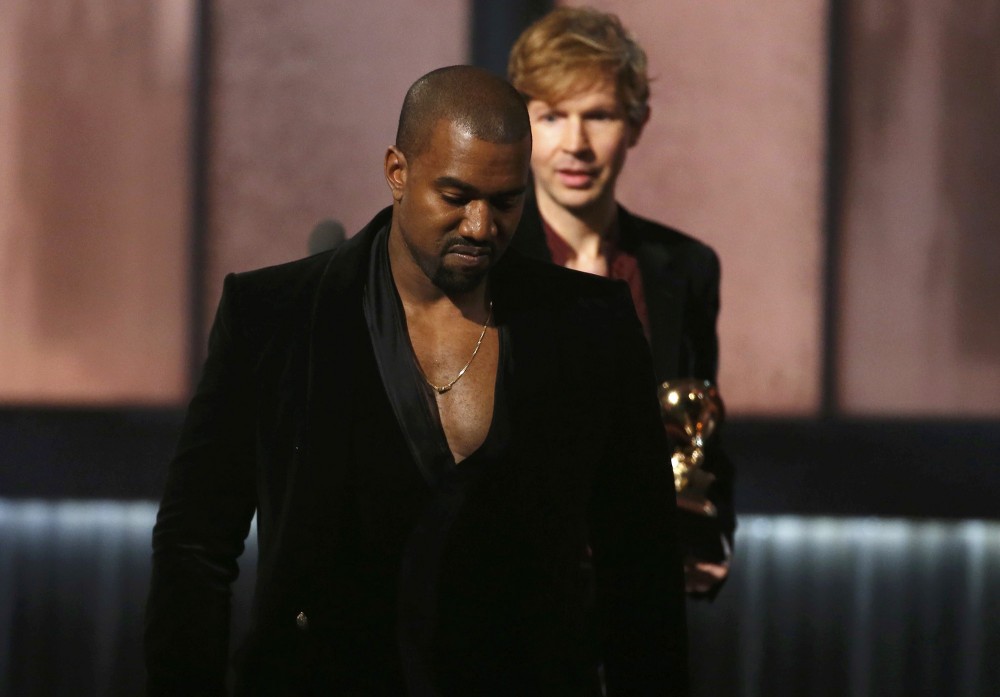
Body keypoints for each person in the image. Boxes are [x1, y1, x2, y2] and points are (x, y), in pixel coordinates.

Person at [145, 65, 688, 696]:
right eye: (456, 197)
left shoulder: (591, 326)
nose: (482, 228)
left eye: (507, 201)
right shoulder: (274, 317)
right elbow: (194, 546)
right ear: (397, 172)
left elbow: (641, 570)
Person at [508, 7, 735, 597]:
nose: (575, 144)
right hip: (506, 598)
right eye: (552, 116)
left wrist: (714, 536)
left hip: (640, 592)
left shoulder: (686, 267)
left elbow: (702, 430)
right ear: (521, 125)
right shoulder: (486, 261)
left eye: (599, 116)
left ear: (636, 124)